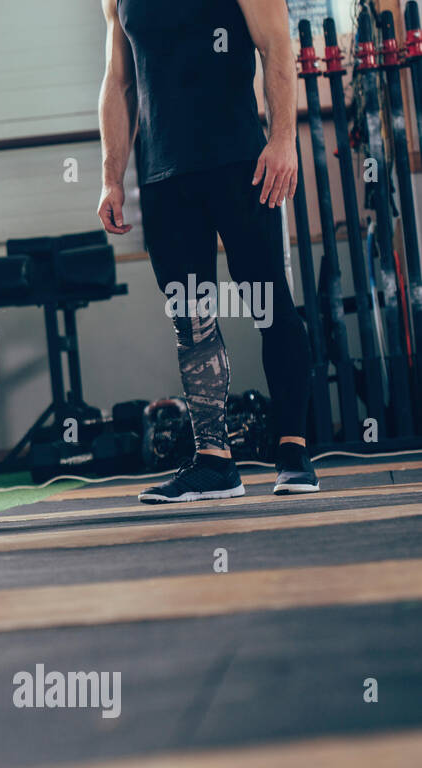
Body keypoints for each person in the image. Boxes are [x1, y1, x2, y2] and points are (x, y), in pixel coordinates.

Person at [97, 0, 320, 502]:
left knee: (268, 302)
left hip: (240, 162)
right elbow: (118, 81)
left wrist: (284, 137)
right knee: (190, 320)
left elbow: (276, 45)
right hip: (163, 174)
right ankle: (215, 462)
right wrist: (112, 177)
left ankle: (292, 452)